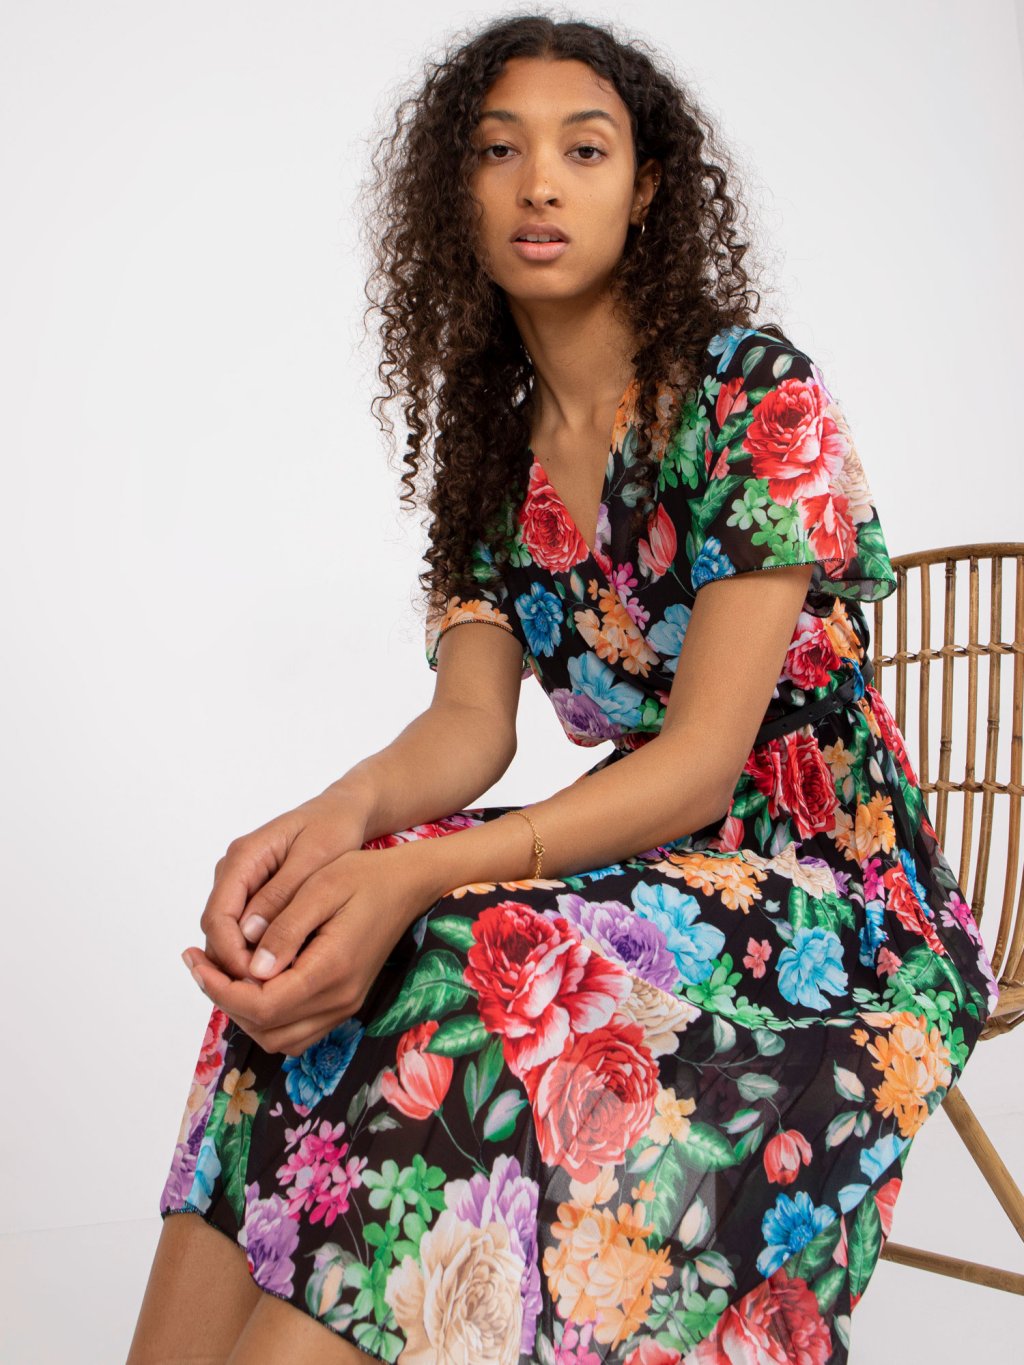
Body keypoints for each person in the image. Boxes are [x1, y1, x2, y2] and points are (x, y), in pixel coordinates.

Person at [128, 13, 1000, 1365]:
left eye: (584, 150)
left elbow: (703, 766)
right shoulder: (492, 452)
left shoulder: (753, 393)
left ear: (645, 190)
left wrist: (422, 874)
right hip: (653, 860)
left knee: (455, 947)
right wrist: (333, 824)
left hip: (835, 891)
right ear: (457, 196)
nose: (540, 182)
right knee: (322, 940)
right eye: (500, 151)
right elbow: (469, 725)